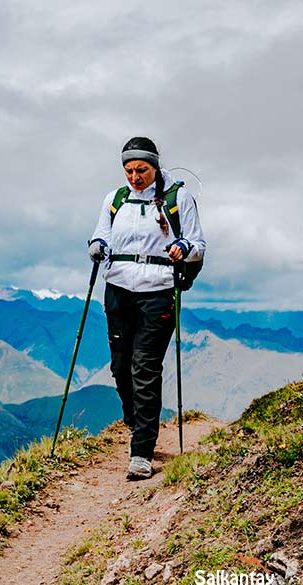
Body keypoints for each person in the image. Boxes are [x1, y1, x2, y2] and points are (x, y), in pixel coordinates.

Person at [88, 136, 206, 480]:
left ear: (155, 166)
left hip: (158, 290)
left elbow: (199, 244)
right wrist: (96, 246)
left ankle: (142, 451)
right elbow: (100, 235)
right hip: (118, 287)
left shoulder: (179, 198)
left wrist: (184, 248)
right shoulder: (115, 199)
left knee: (145, 368)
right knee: (120, 366)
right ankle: (135, 421)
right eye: (129, 170)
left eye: (141, 169)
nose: (135, 177)